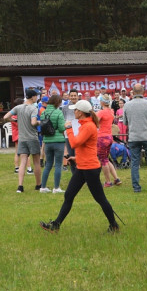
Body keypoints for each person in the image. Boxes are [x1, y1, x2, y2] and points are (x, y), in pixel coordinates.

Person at [39, 100, 121, 234]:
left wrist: (69, 129)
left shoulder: (88, 126)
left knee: (100, 199)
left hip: (90, 168)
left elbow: (75, 143)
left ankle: (114, 225)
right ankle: (56, 225)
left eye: (75, 110)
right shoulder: (85, 125)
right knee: (69, 195)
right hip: (83, 167)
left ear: (81, 112)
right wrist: (76, 158)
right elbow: (87, 147)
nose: (73, 112)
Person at [122, 83, 147, 193]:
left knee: (134, 162)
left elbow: (124, 122)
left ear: (132, 92)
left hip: (133, 136)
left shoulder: (127, 105)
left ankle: (136, 188)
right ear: (143, 91)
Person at [4, 89, 41, 193]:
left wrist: (13, 120)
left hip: (22, 139)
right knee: (36, 162)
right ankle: (38, 185)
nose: (37, 98)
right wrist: (40, 122)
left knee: (23, 162)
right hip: (32, 138)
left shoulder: (18, 107)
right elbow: (33, 123)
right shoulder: (33, 108)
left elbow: (5, 117)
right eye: (36, 96)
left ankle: (20, 186)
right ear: (33, 97)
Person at [39, 91, 67, 193]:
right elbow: (61, 128)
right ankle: (56, 188)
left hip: (47, 141)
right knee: (58, 165)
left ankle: (43, 187)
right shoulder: (58, 112)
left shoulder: (43, 112)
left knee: (48, 165)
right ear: (57, 103)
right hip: (58, 141)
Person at [96, 96, 120, 187]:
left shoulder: (101, 112)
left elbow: (95, 122)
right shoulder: (111, 111)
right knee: (106, 158)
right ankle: (116, 178)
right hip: (109, 137)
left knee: (103, 160)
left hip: (102, 137)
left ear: (102, 102)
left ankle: (108, 181)